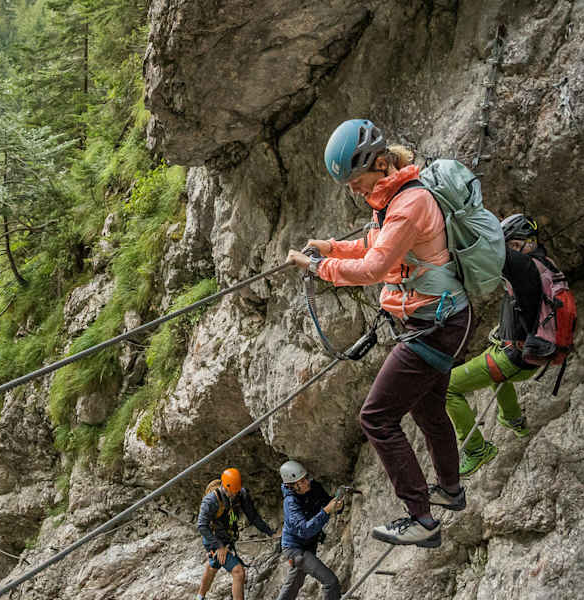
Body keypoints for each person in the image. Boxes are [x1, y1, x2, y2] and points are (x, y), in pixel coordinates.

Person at [285, 119, 471, 548]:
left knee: (376, 418)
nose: (353, 189)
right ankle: (450, 491)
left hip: (434, 327)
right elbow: (375, 244)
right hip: (442, 320)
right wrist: (330, 247)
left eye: (356, 179)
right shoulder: (392, 198)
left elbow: (374, 268)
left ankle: (422, 519)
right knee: (428, 411)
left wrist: (317, 267)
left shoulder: (408, 204)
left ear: (382, 163)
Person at [445, 214, 555, 475]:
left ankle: (476, 449)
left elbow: (490, 260)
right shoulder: (544, 265)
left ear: (529, 243)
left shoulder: (527, 270)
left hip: (516, 357)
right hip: (520, 351)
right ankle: (514, 419)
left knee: (447, 387)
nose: (511, 252)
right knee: (494, 370)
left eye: (515, 245)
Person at [196, 467, 276, 600]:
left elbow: (253, 517)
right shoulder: (211, 501)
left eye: (236, 492)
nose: (234, 495)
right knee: (238, 572)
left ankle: (199, 597)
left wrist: (270, 532)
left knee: (213, 566)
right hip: (214, 541)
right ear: (224, 487)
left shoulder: (241, 494)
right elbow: (202, 526)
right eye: (231, 492)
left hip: (228, 538)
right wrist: (219, 546)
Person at [276, 461, 344, 600]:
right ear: (292, 486)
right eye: (301, 481)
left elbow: (328, 503)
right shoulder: (290, 503)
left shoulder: (314, 487)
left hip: (308, 545)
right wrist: (326, 511)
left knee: (292, 586)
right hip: (295, 549)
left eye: (306, 478)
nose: (307, 482)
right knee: (331, 582)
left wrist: (337, 506)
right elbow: (305, 530)